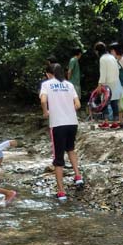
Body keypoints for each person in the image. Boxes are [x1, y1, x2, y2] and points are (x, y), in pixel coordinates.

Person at [41, 63, 84, 202]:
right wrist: (67, 108)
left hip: (58, 124)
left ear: (49, 73)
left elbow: (43, 100)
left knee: (58, 158)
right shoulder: (69, 85)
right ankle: (78, 176)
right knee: (70, 148)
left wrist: (45, 112)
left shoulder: (47, 84)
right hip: (72, 122)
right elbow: (78, 105)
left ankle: (61, 191)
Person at [95, 41, 121, 128]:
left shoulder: (102, 59)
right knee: (114, 103)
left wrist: (100, 85)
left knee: (104, 102)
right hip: (116, 82)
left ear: (98, 51)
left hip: (108, 83)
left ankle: (105, 122)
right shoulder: (112, 57)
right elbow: (118, 70)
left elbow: (103, 73)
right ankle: (116, 122)